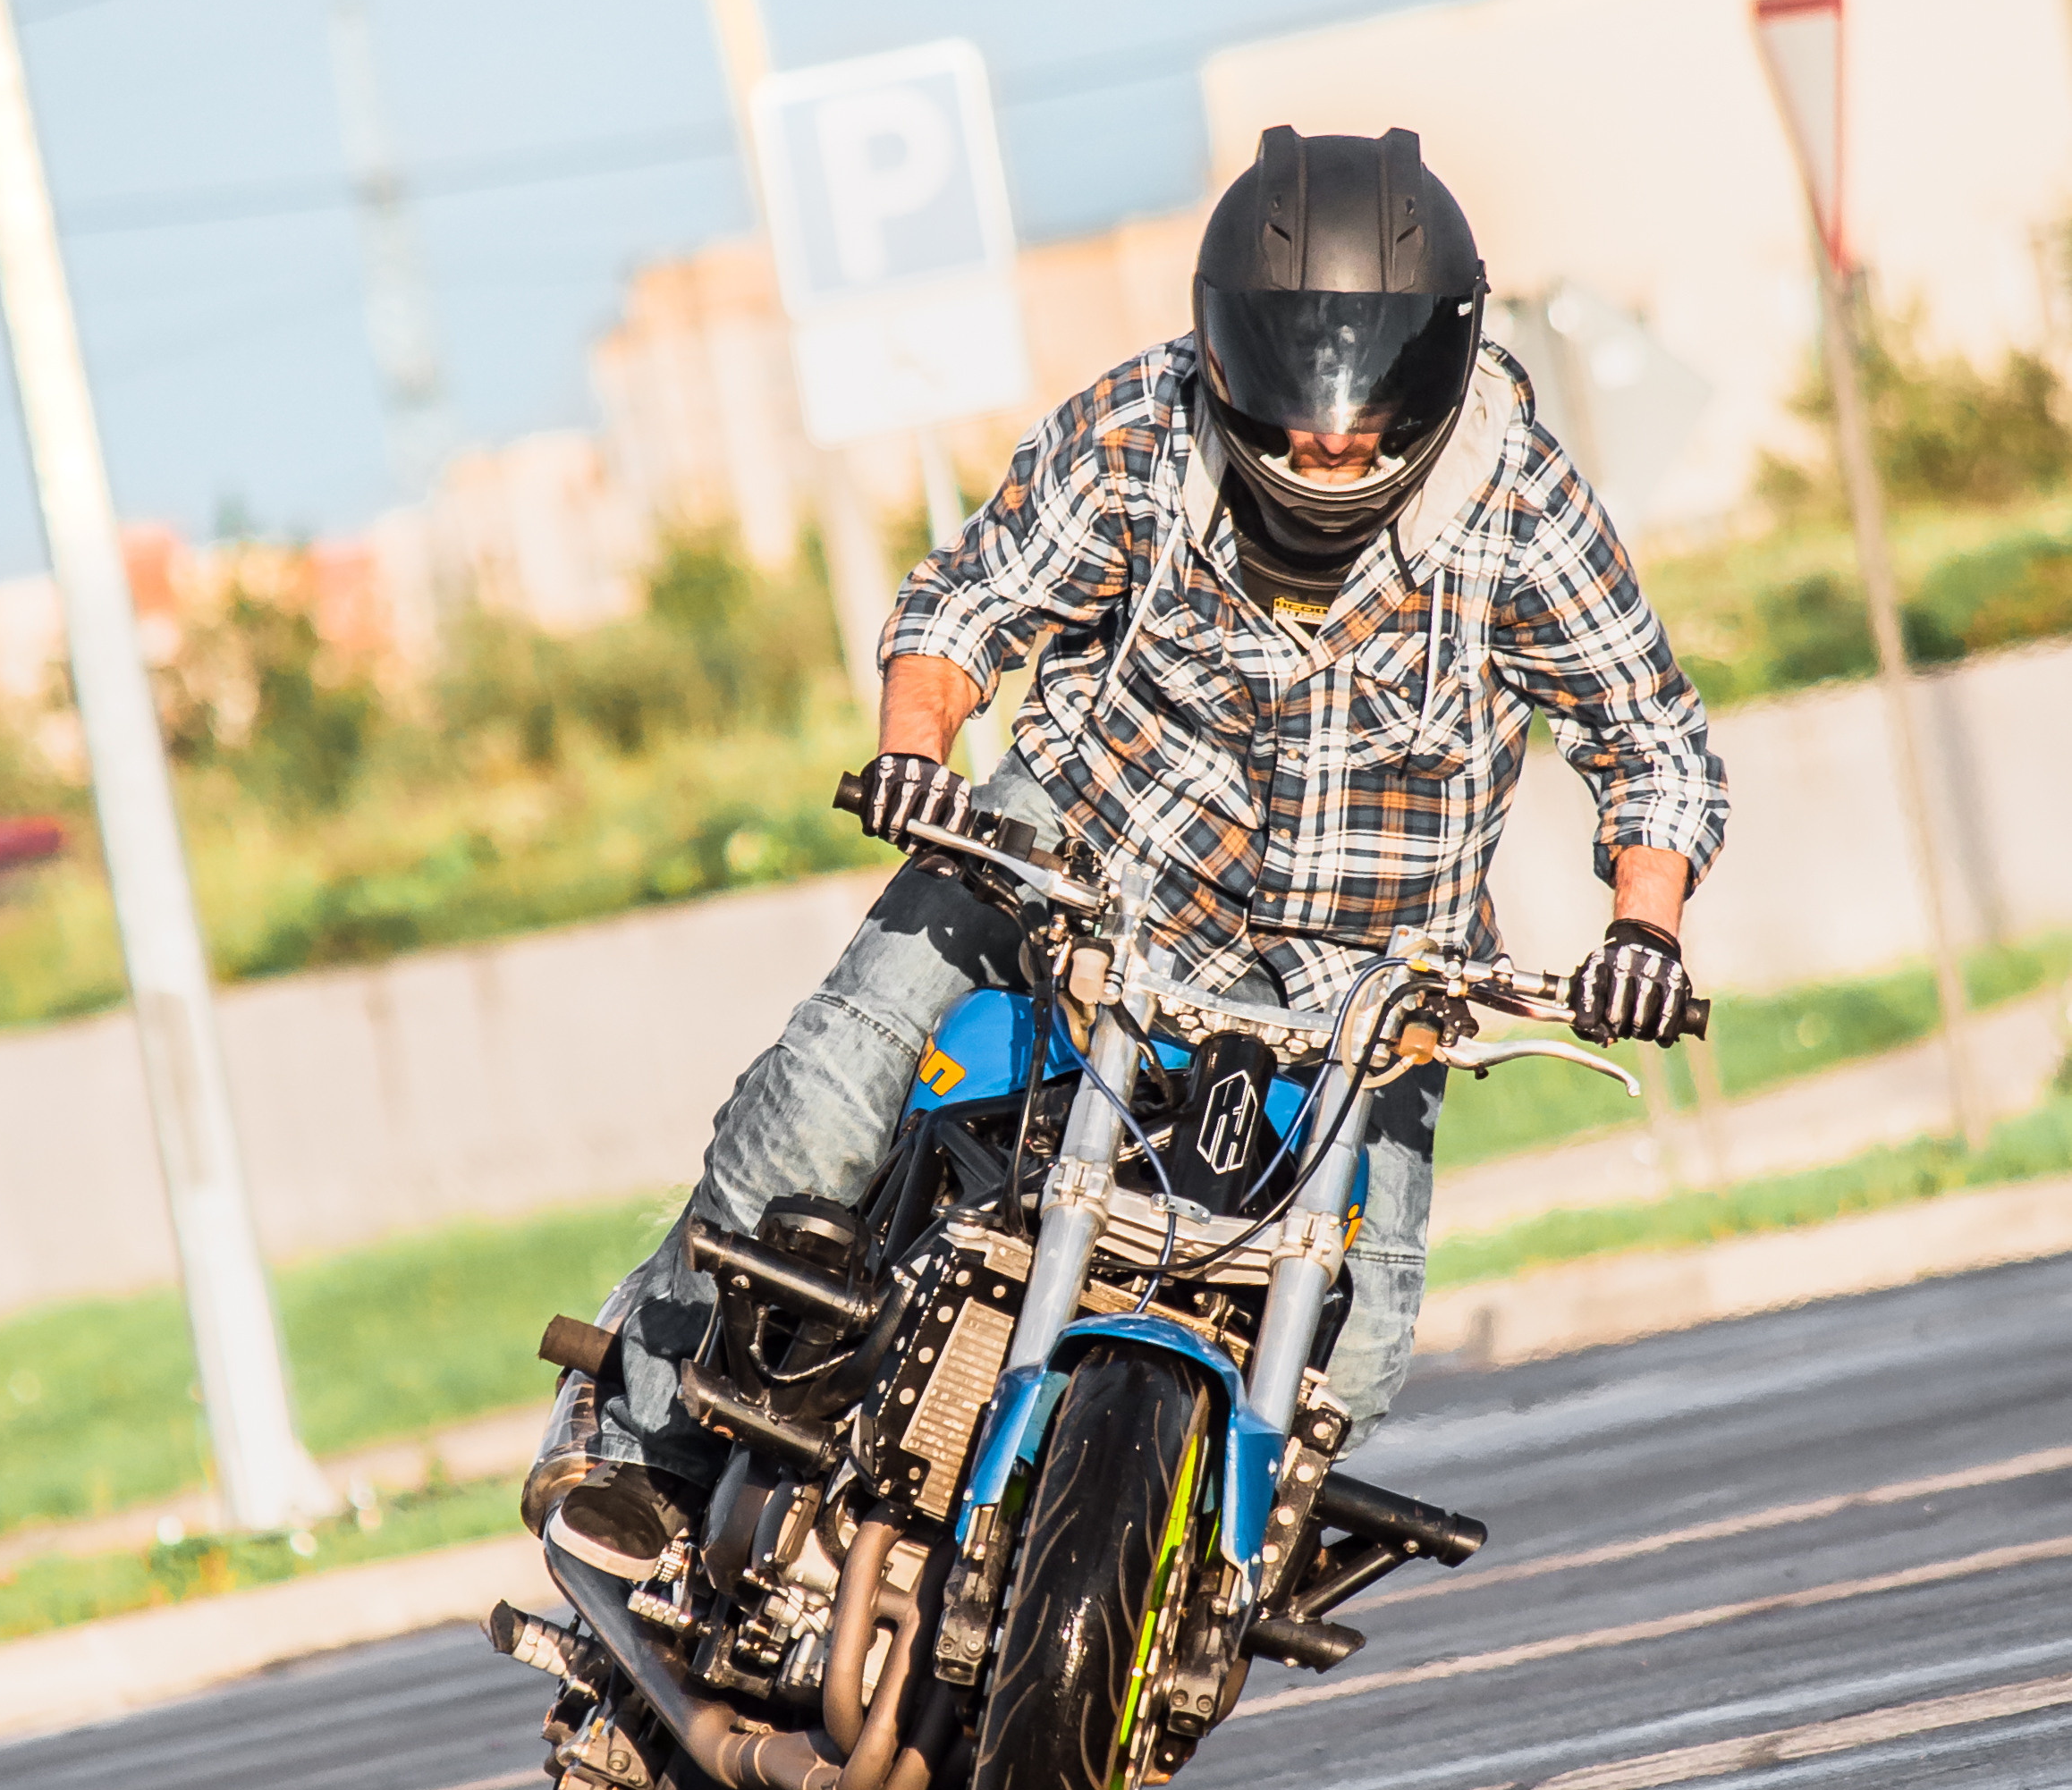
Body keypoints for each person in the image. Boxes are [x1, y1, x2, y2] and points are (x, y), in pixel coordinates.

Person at [526, 124, 1728, 1555]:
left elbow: (1650, 738)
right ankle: (642, 1435)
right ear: (1229, 354)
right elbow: (969, 606)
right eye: (1286, 410)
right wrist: (920, 749)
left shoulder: (1521, 504)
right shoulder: (1139, 434)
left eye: (1358, 418)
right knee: (816, 1109)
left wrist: (1643, 927)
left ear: (1434, 367)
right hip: (1083, 851)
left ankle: (1183, 1593)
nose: (1322, 446)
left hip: (1370, 969)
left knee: (1367, 1339)